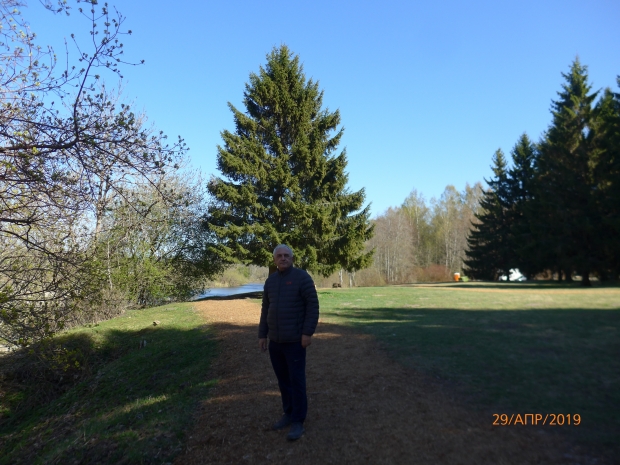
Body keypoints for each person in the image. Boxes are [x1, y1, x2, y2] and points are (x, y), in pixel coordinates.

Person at [258, 244, 319, 441]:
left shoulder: (302, 277)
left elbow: (313, 306)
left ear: (292, 258)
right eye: (279, 256)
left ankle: (298, 420)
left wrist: (307, 333)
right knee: (283, 380)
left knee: (296, 381)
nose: (283, 258)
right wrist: (262, 335)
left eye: (286, 255)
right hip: (275, 342)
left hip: (295, 341)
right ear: (274, 259)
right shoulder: (270, 281)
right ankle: (289, 412)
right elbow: (265, 309)